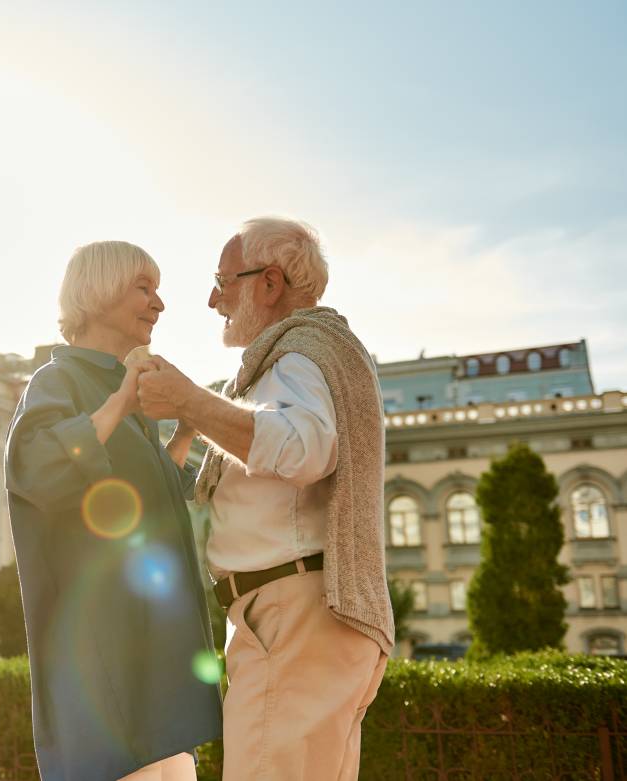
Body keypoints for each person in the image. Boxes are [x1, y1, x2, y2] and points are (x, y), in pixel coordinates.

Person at [135, 217, 393, 780]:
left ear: (269, 283)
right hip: (302, 619)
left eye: (223, 281)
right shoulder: (307, 357)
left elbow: (302, 450)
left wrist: (193, 402)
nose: (211, 299)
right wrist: (191, 423)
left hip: (293, 617)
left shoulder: (299, 355)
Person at [5, 241, 223, 781]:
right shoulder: (58, 382)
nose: (159, 304)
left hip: (153, 656)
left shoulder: (123, 397)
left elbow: (154, 493)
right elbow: (37, 467)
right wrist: (124, 399)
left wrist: (187, 427)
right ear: (98, 292)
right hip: (106, 659)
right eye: (143, 288)